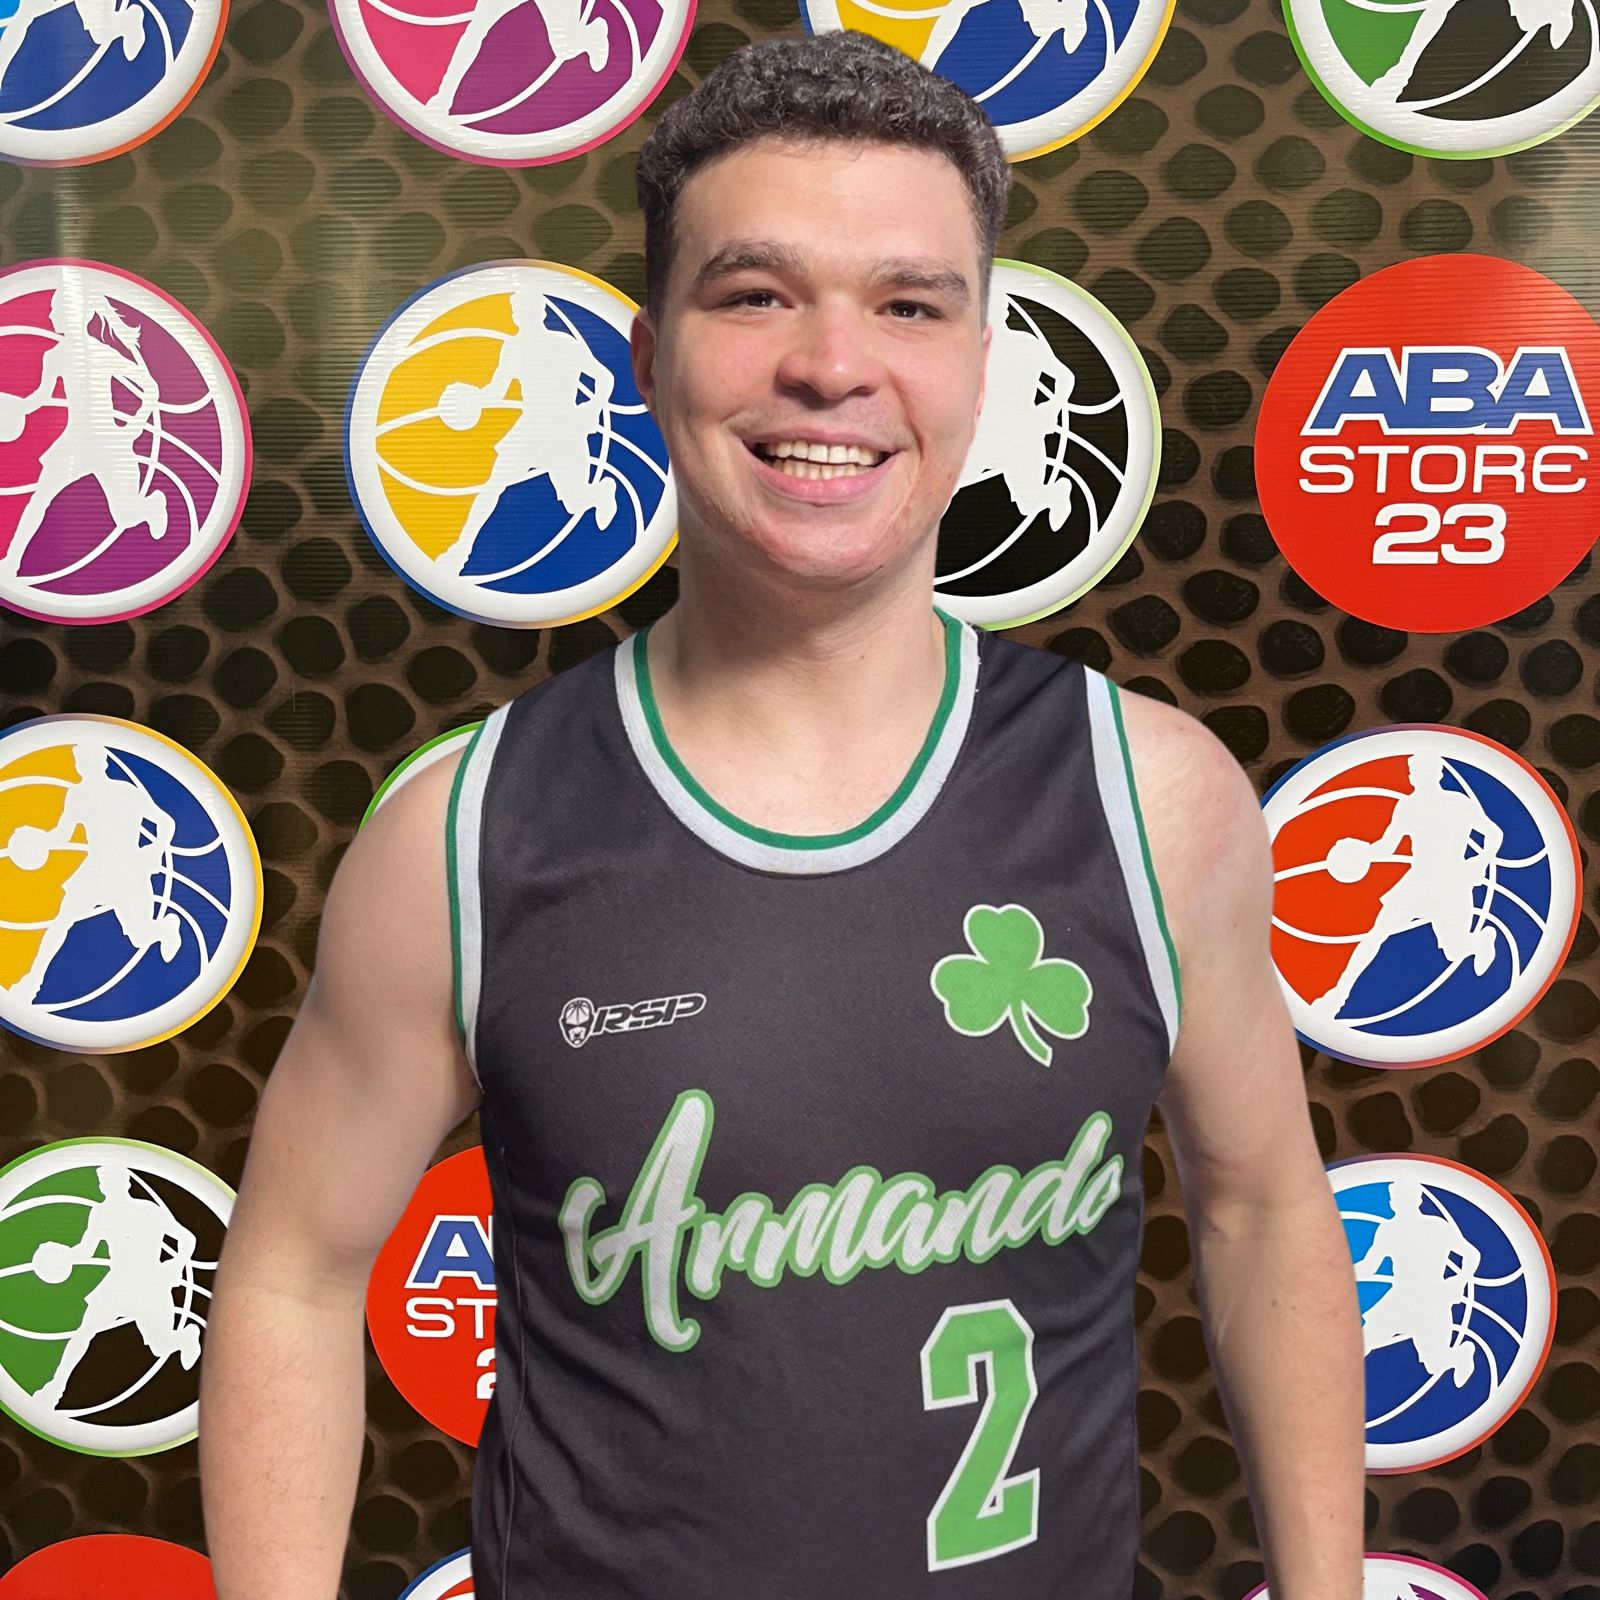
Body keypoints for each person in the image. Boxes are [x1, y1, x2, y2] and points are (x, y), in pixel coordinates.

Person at [200, 31, 1364, 1599]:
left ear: (983, 362)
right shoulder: (465, 834)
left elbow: (1265, 1208)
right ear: (646, 356)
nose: (832, 365)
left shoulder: (1152, 798)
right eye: (754, 296)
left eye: (908, 305)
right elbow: (292, 1270)